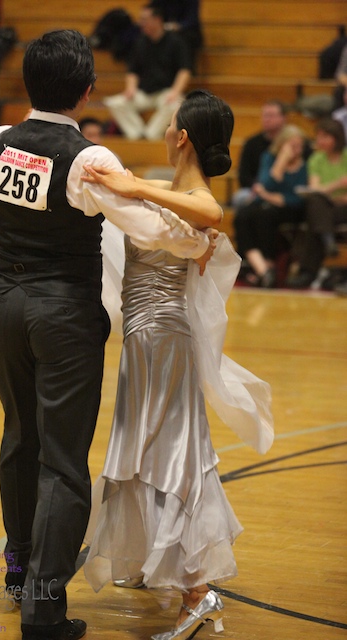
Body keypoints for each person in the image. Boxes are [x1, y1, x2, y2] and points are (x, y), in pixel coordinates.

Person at [0, 29, 212, 640]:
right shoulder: (90, 159)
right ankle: (43, 610)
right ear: (88, 89)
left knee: (19, 442)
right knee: (62, 461)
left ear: (28, 84)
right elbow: (147, 227)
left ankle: (21, 576)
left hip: (3, 304)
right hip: (63, 314)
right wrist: (198, 240)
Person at [81, 90, 274, 640]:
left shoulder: (197, 198)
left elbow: (210, 211)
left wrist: (130, 184)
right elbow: (154, 202)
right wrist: (119, 182)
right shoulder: (173, 191)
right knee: (146, 444)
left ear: (182, 136)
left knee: (174, 450)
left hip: (163, 337)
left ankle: (198, 590)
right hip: (147, 339)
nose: (165, 133)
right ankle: (161, 562)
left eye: (169, 126)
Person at [103, 3, 192, 140]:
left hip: (166, 92)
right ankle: (137, 134)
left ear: (157, 20)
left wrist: (175, 91)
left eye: (145, 19)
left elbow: (184, 70)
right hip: (144, 93)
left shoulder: (176, 42)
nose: (141, 23)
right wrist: (130, 88)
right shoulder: (140, 42)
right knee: (115, 102)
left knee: (177, 104)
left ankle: (151, 135)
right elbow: (132, 71)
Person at [234, 125, 308, 288]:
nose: (297, 150)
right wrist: (281, 162)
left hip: (292, 210)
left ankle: (267, 268)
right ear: (282, 145)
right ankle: (262, 269)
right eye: (292, 146)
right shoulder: (270, 157)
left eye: (299, 146)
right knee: (243, 215)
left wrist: (270, 195)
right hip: (266, 204)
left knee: (265, 215)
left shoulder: (304, 165)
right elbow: (264, 185)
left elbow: (297, 198)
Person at [287, 118, 347, 289]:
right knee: (315, 203)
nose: (319, 141)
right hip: (326, 207)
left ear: (336, 138)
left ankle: (308, 272)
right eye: (318, 136)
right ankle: (328, 241)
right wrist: (339, 184)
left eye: (324, 136)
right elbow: (315, 189)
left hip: (342, 208)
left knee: (316, 220)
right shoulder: (316, 159)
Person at [231, 100, 287, 210]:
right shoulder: (251, 143)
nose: (267, 119)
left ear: (283, 118)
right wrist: (258, 188)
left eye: (271, 115)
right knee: (240, 197)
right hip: (257, 190)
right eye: (265, 115)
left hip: (284, 190)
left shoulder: (292, 143)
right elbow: (243, 176)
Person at [151, 0, 203, 70]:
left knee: (184, 38)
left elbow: (192, 20)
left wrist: (179, 26)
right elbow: (152, 11)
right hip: (165, 30)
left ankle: (187, 69)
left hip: (187, 31)